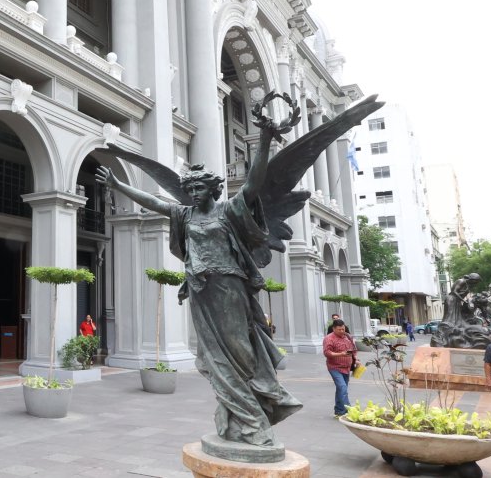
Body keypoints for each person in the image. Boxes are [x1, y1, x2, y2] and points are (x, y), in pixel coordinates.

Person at [98, 117, 303, 448]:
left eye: (198, 188)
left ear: (213, 189)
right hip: (201, 290)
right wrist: (119, 186)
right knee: (213, 356)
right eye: (189, 189)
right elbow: (156, 203)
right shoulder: (185, 215)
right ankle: (243, 419)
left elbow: (253, 183)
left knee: (240, 351)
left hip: (229, 287)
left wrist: (264, 141)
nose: (192, 193)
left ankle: (258, 409)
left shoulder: (230, 210)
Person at [323, 319, 357, 417]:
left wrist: (356, 359)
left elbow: (353, 350)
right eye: (339, 329)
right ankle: (348, 410)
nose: (342, 331)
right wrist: (340, 354)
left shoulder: (348, 336)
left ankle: (339, 410)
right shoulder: (329, 338)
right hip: (334, 367)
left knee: (341, 389)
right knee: (342, 387)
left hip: (346, 367)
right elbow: (327, 353)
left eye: (343, 329)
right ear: (333, 328)